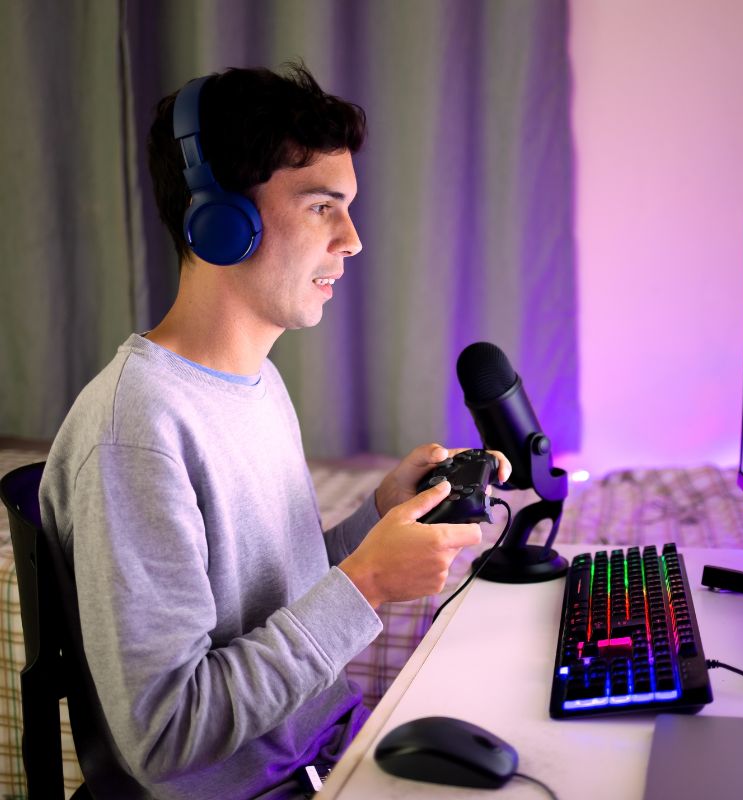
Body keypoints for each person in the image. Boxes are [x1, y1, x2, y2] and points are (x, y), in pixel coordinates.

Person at [39, 64, 510, 800]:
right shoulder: (138, 427)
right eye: (323, 206)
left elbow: (264, 605)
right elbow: (164, 733)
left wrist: (372, 524)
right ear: (221, 221)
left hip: (326, 753)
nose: (353, 240)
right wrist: (367, 585)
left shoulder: (257, 381)